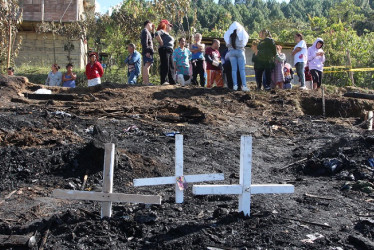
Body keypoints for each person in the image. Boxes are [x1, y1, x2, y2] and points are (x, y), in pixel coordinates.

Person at [224, 22, 249, 91]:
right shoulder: (241, 33)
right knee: (242, 70)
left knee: (234, 70)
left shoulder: (229, 35)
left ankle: (235, 85)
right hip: (240, 51)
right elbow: (245, 40)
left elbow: (227, 44)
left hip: (231, 52)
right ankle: (244, 86)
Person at [155, 19, 175, 85]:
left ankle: (172, 81)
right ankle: (164, 81)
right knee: (165, 65)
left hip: (170, 50)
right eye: (170, 25)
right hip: (164, 49)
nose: (171, 27)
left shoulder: (167, 33)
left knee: (171, 65)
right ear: (165, 25)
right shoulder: (162, 31)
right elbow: (156, 33)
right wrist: (161, 42)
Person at [141, 20, 155, 85]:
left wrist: (153, 31)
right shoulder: (145, 31)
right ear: (148, 24)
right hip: (147, 51)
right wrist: (147, 51)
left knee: (146, 65)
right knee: (147, 65)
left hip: (148, 51)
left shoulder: (147, 32)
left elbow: (151, 39)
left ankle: (145, 81)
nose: (152, 26)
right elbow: (145, 42)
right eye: (151, 25)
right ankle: (146, 82)